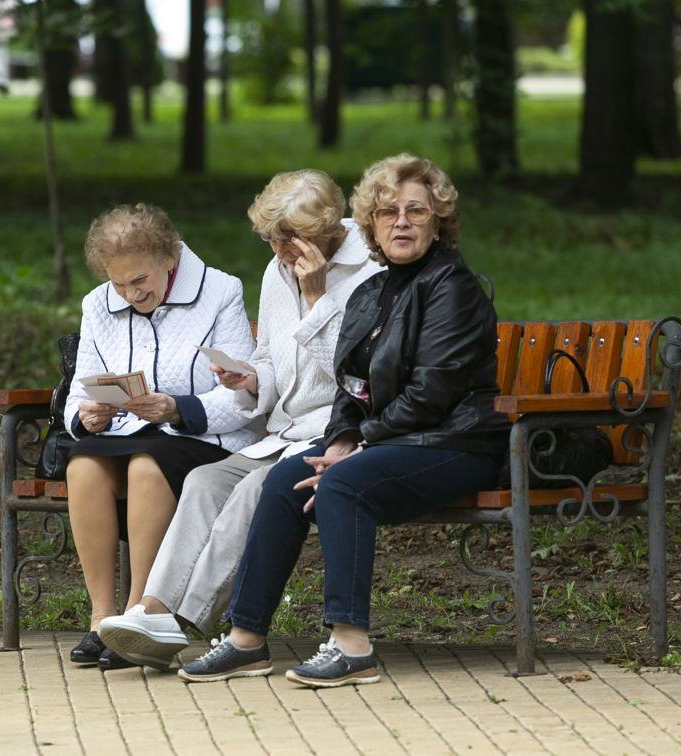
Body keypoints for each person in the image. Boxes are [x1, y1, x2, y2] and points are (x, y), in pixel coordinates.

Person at [177, 153, 509, 687]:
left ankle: (351, 644)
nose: (401, 222)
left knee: (344, 485)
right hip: (395, 442)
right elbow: (350, 386)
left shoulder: (453, 287)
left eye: (416, 211)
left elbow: (433, 392)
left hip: (456, 444)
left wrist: (358, 448)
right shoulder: (374, 290)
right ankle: (246, 639)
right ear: (371, 224)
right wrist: (341, 437)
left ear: (438, 221)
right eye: (388, 212)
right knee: (286, 479)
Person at [97, 170, 380, 670]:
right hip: (285, 433)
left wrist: (316, 298)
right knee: (207, 481)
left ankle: (188, 625)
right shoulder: (278, 270)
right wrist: (248, 380)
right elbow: (272, 359)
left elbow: (360, 375)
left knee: (255, 491)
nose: (278, 251)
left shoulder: (371, 269)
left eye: (289, 239)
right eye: (271, 239)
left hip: (339, 434)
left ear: (327, 231)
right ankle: (154, 610)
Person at [64, 203, 262, 670]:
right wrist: (86, 415)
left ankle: (137, 620)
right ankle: (100, 618)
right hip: (124, 430)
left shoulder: (220, 291)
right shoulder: (96, 304)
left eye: (141, 281)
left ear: (169, 260)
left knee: (145, 465)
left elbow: (243, 394)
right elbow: (79, 390)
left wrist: (179, 408)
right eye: (120, 284)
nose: (132, 294)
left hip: (196, 436)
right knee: (83, 465)